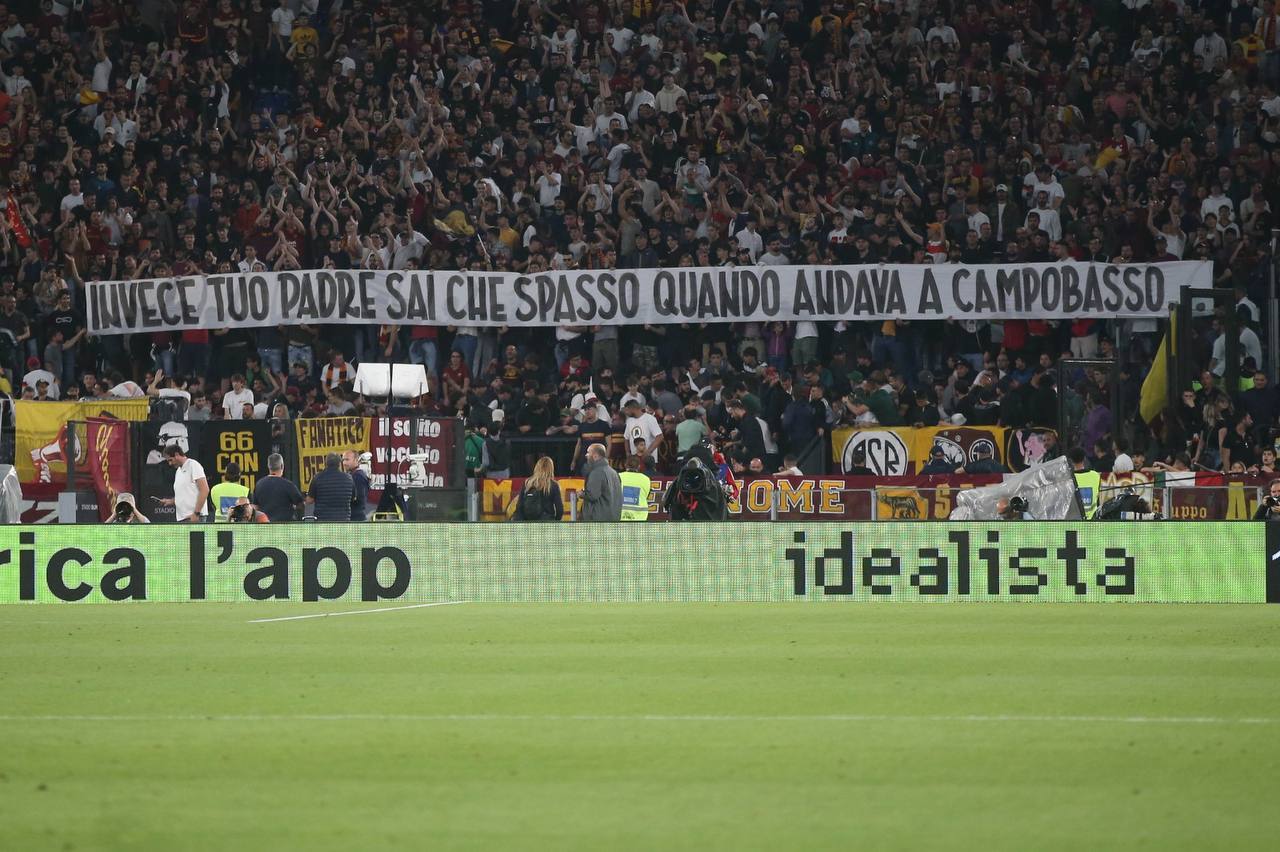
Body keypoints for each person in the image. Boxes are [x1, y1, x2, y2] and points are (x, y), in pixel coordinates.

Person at [160, 444, 210, 523]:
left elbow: (204, 490)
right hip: (182, 518)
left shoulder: (193, 465)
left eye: (170, 460)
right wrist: (170, 501)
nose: (170, 464)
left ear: (177, 454)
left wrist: (196, 513)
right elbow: (185, 495)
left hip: (194, 518)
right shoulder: (178, 471)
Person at [252, 453, 305, 522]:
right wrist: (294, 507)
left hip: (265, 527)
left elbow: (255, 507)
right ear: (282, 466)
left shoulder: (259, 484)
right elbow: (301, 505)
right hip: (285, 527)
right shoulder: (288, 485)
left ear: (268, 466)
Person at [513, 456, 564, 521]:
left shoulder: (527, 483)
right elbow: (560, 510)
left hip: (528, 523)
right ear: (551, 469)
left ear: (537, 468)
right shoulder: (553, 485)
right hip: (547, 523)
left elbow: (519, 506)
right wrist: (555, 522)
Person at [306, 452, 355, 521]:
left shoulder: (318, 478)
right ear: (339, 464)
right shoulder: (349, 478)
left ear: (326, 463)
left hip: (322, 521)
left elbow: (309, 500)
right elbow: (352, 498)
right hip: (343, 521)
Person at [581, 443, 622, 521]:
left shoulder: (596, 472)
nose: (586, 455)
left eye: (588, 452)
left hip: (598, 520)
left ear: (595, 455)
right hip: (614, 518)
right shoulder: (614, 472)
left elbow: (592, 495)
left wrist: (581, 494)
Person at [1069, 447, 1102, 518]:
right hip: (1092, 522)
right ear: (1084, 458)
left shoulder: (1069, 479)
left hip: (1074, 521)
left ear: (1071, 461)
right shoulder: (1095, 475)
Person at [619, 455, 653, 521]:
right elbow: (646, 496)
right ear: (639, 466)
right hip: (640, 517)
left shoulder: (618, 476)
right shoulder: (645, 479)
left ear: (625, 465)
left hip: (621, 516)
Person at [342, 450, 370, 521]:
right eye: (343, 460)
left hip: (356, 519)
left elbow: (358, 499)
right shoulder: (352, 475)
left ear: (356, 460)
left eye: (347, 459)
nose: (344, 463)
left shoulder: (358, 476)